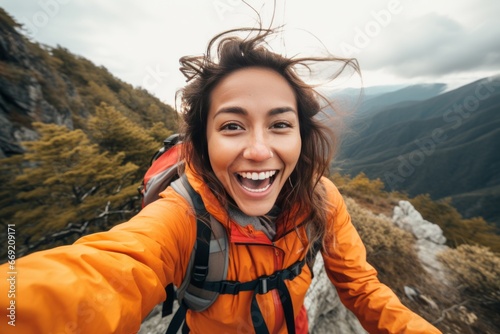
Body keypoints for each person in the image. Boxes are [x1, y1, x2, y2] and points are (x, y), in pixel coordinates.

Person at [0, 26, 441, 334]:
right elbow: (100, 277)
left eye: (280, 125)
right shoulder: (181, 217)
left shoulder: (321, 200)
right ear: (203, 141)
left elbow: (361, 286)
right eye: (232, 126)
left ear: (302, 137)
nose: (258, 150)